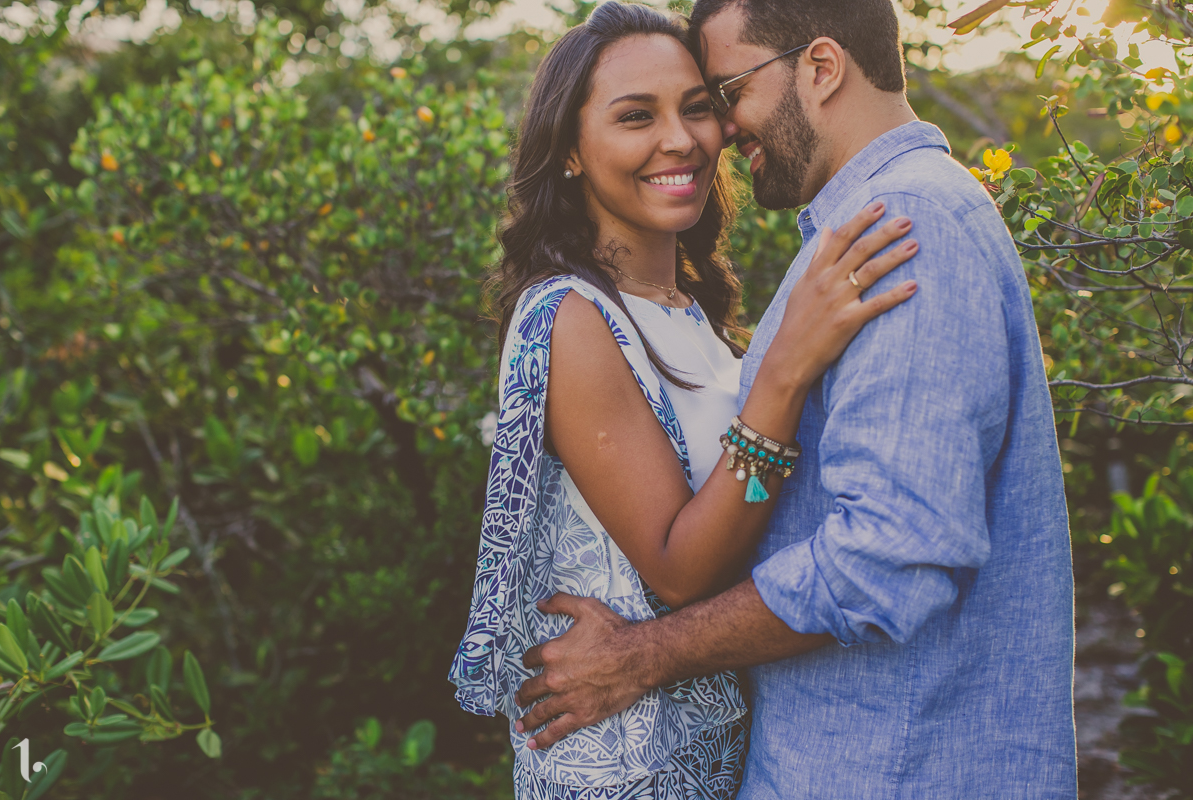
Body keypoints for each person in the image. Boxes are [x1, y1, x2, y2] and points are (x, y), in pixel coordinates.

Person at [510, 1, 1079, 798]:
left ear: (819, 68)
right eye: (639, 115)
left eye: (717, 96)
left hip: (895, 766)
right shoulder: (863, 231)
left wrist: (650, 652)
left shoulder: (902, 224)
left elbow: (890, 555)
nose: (706, 134)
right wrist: (777, 379)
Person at [448, 2, 919, 798]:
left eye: (698, 107)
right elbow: (679, 570)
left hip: (719, 752)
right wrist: (784, 375)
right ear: (569, 151)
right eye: (637, 116)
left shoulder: (689, 313)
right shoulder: (570, 316)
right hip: (627, 767)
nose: (682, 139)